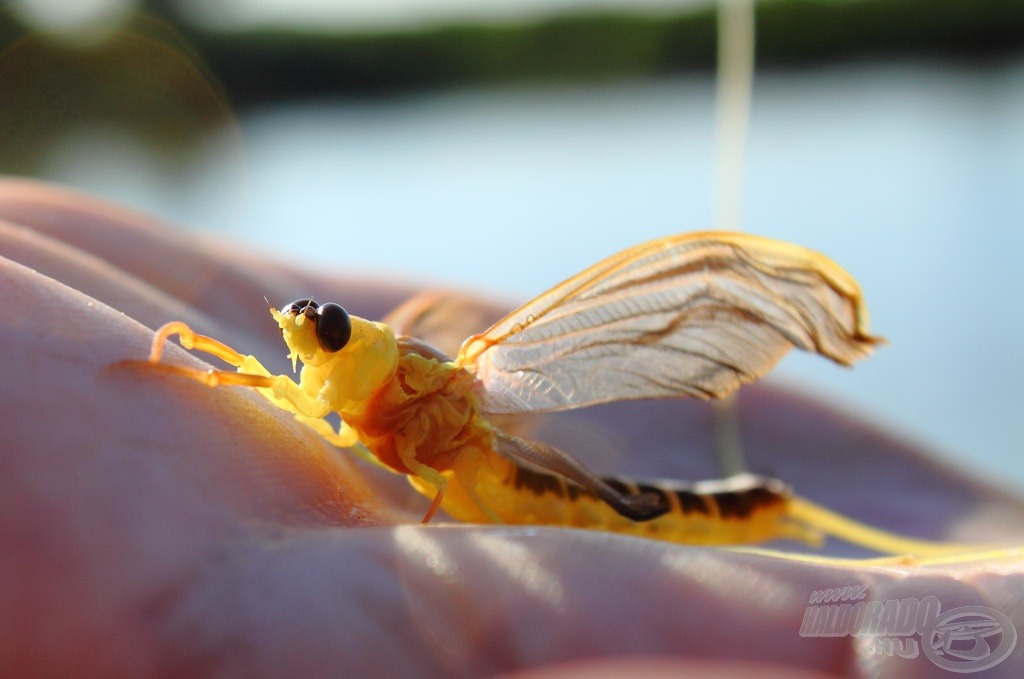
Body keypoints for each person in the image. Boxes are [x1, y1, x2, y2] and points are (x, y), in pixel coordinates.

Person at [0, 176, 1021, 677]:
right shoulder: (345, 379)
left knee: (756, 510)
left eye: (315, 332)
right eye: (303, 333)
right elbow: (283, 393)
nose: (299, 343)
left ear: (350, 344)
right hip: (493, 491)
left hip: (548, 495)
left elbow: (386, 455)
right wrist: (183, 353)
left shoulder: (426, 388)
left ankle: (824, 524)